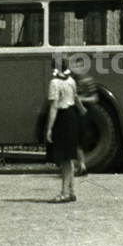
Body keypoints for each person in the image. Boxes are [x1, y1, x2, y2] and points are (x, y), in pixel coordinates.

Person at [44, 58, 83, 203]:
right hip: (72, 116)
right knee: (69, 155)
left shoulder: (54, 83)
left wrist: (49, 128)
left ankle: (64, 192)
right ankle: (71, 191)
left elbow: (54, 107)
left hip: (63, 118)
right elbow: (76, 98)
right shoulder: (71, 81)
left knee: (65, 158)